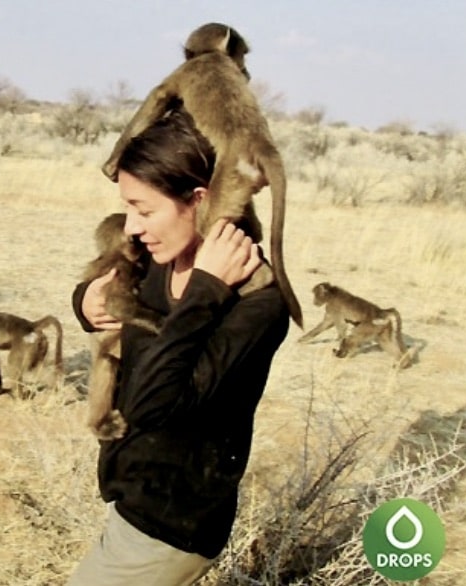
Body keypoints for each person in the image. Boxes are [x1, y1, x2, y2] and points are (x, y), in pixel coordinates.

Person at [68, 109, 290, 586]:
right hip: (132, 497)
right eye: (128, 207)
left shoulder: (256, 304)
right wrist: (84, 304)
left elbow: (155, 403)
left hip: (172, 525)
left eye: (145, 210)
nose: (131, 226)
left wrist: (206, 289)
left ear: (199, 198)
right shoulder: (158, 256)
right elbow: (107, 290)